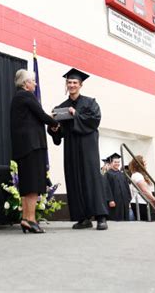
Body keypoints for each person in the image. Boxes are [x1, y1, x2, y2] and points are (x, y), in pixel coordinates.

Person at [48, 68, 109, 230]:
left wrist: (76, 115)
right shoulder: (61, 107)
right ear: (66, 85)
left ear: (81, 85)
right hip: (71, 148)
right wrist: (54, 128)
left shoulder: (90, 103)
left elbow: (94, 121)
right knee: (74, 179)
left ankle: (101, 216)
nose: (72, 85)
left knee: (91, 179)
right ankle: (83, 218)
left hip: (88, 147)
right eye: (69, 82)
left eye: (75, 83)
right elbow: (60, 131)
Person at [10, 69, 58, 233]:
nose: (35, 84)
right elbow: (41, 115)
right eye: (33, 81)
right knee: (32, 185)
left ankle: (26, 218)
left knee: (26, 184)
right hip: (32, 146)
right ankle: (30, 219)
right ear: (25, 83)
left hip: (24, 147)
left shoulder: (17, 98)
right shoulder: (26, 96)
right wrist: (55, 122)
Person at [105, 153, 132, 221]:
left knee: (125, 218)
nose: (117, 163)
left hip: (124, 200)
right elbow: (107, 188)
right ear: (111, 163)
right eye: (115, 162)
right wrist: (110, 200)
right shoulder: (108, 174)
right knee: (117, 218)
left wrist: (129, 198)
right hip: (115, 201)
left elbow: (127, 186)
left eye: (118, 162)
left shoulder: (122, 174)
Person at [128, 155, 155, 221]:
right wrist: (154, 199)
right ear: (139, 164)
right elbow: (144, 190)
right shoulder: (137, 175)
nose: (145, 163)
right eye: (144, 162)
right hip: (139, 203)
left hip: (143, 202)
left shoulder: (140, 175)